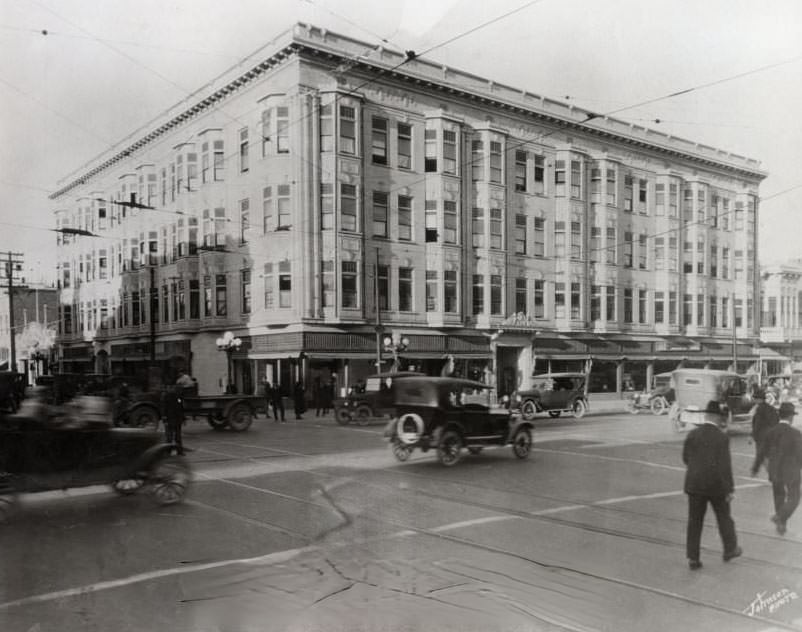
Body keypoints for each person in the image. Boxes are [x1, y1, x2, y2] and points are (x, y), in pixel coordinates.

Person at [682, 400, 741, 570]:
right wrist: (729, 489)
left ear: (706, 416)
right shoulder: (721, 438)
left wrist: (696, 470)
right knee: (724, 518)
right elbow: (725, 466)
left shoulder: (692, 434)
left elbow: (686, 458)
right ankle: (730, 549)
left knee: (694, 522)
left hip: (694, 485)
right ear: (716, 417)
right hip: (716, 486)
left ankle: (693, 558)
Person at [751, 402, 802, 535]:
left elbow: (761, 452)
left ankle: (781, 523)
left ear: (779, 415)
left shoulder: (771, 432)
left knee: (779, 496)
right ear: (791, 417)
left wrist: (755, 467)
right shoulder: (796, 434)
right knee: (795, 497)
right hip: (792, 471)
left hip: (775, 470)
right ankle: (780, 517)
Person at [750, 389, 779, 461]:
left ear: (759, 399)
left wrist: (752, 436)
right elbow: (776, 421)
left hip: (761, 438)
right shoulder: (772, 408)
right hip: (772, 436)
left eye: (755, 398)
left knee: (762, 458)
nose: (754, 400)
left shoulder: (759, 409)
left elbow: (757, 424)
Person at [161, 385, 185, 456]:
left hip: (171, 418)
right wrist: (183, 418)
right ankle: (179, 451)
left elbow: (163, 407)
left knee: (170, 437)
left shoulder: (167, 396)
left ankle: (169, 452)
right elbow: (181, 407)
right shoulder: (177, 397)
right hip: (175, 419)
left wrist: (164, 418)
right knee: (177, 436)